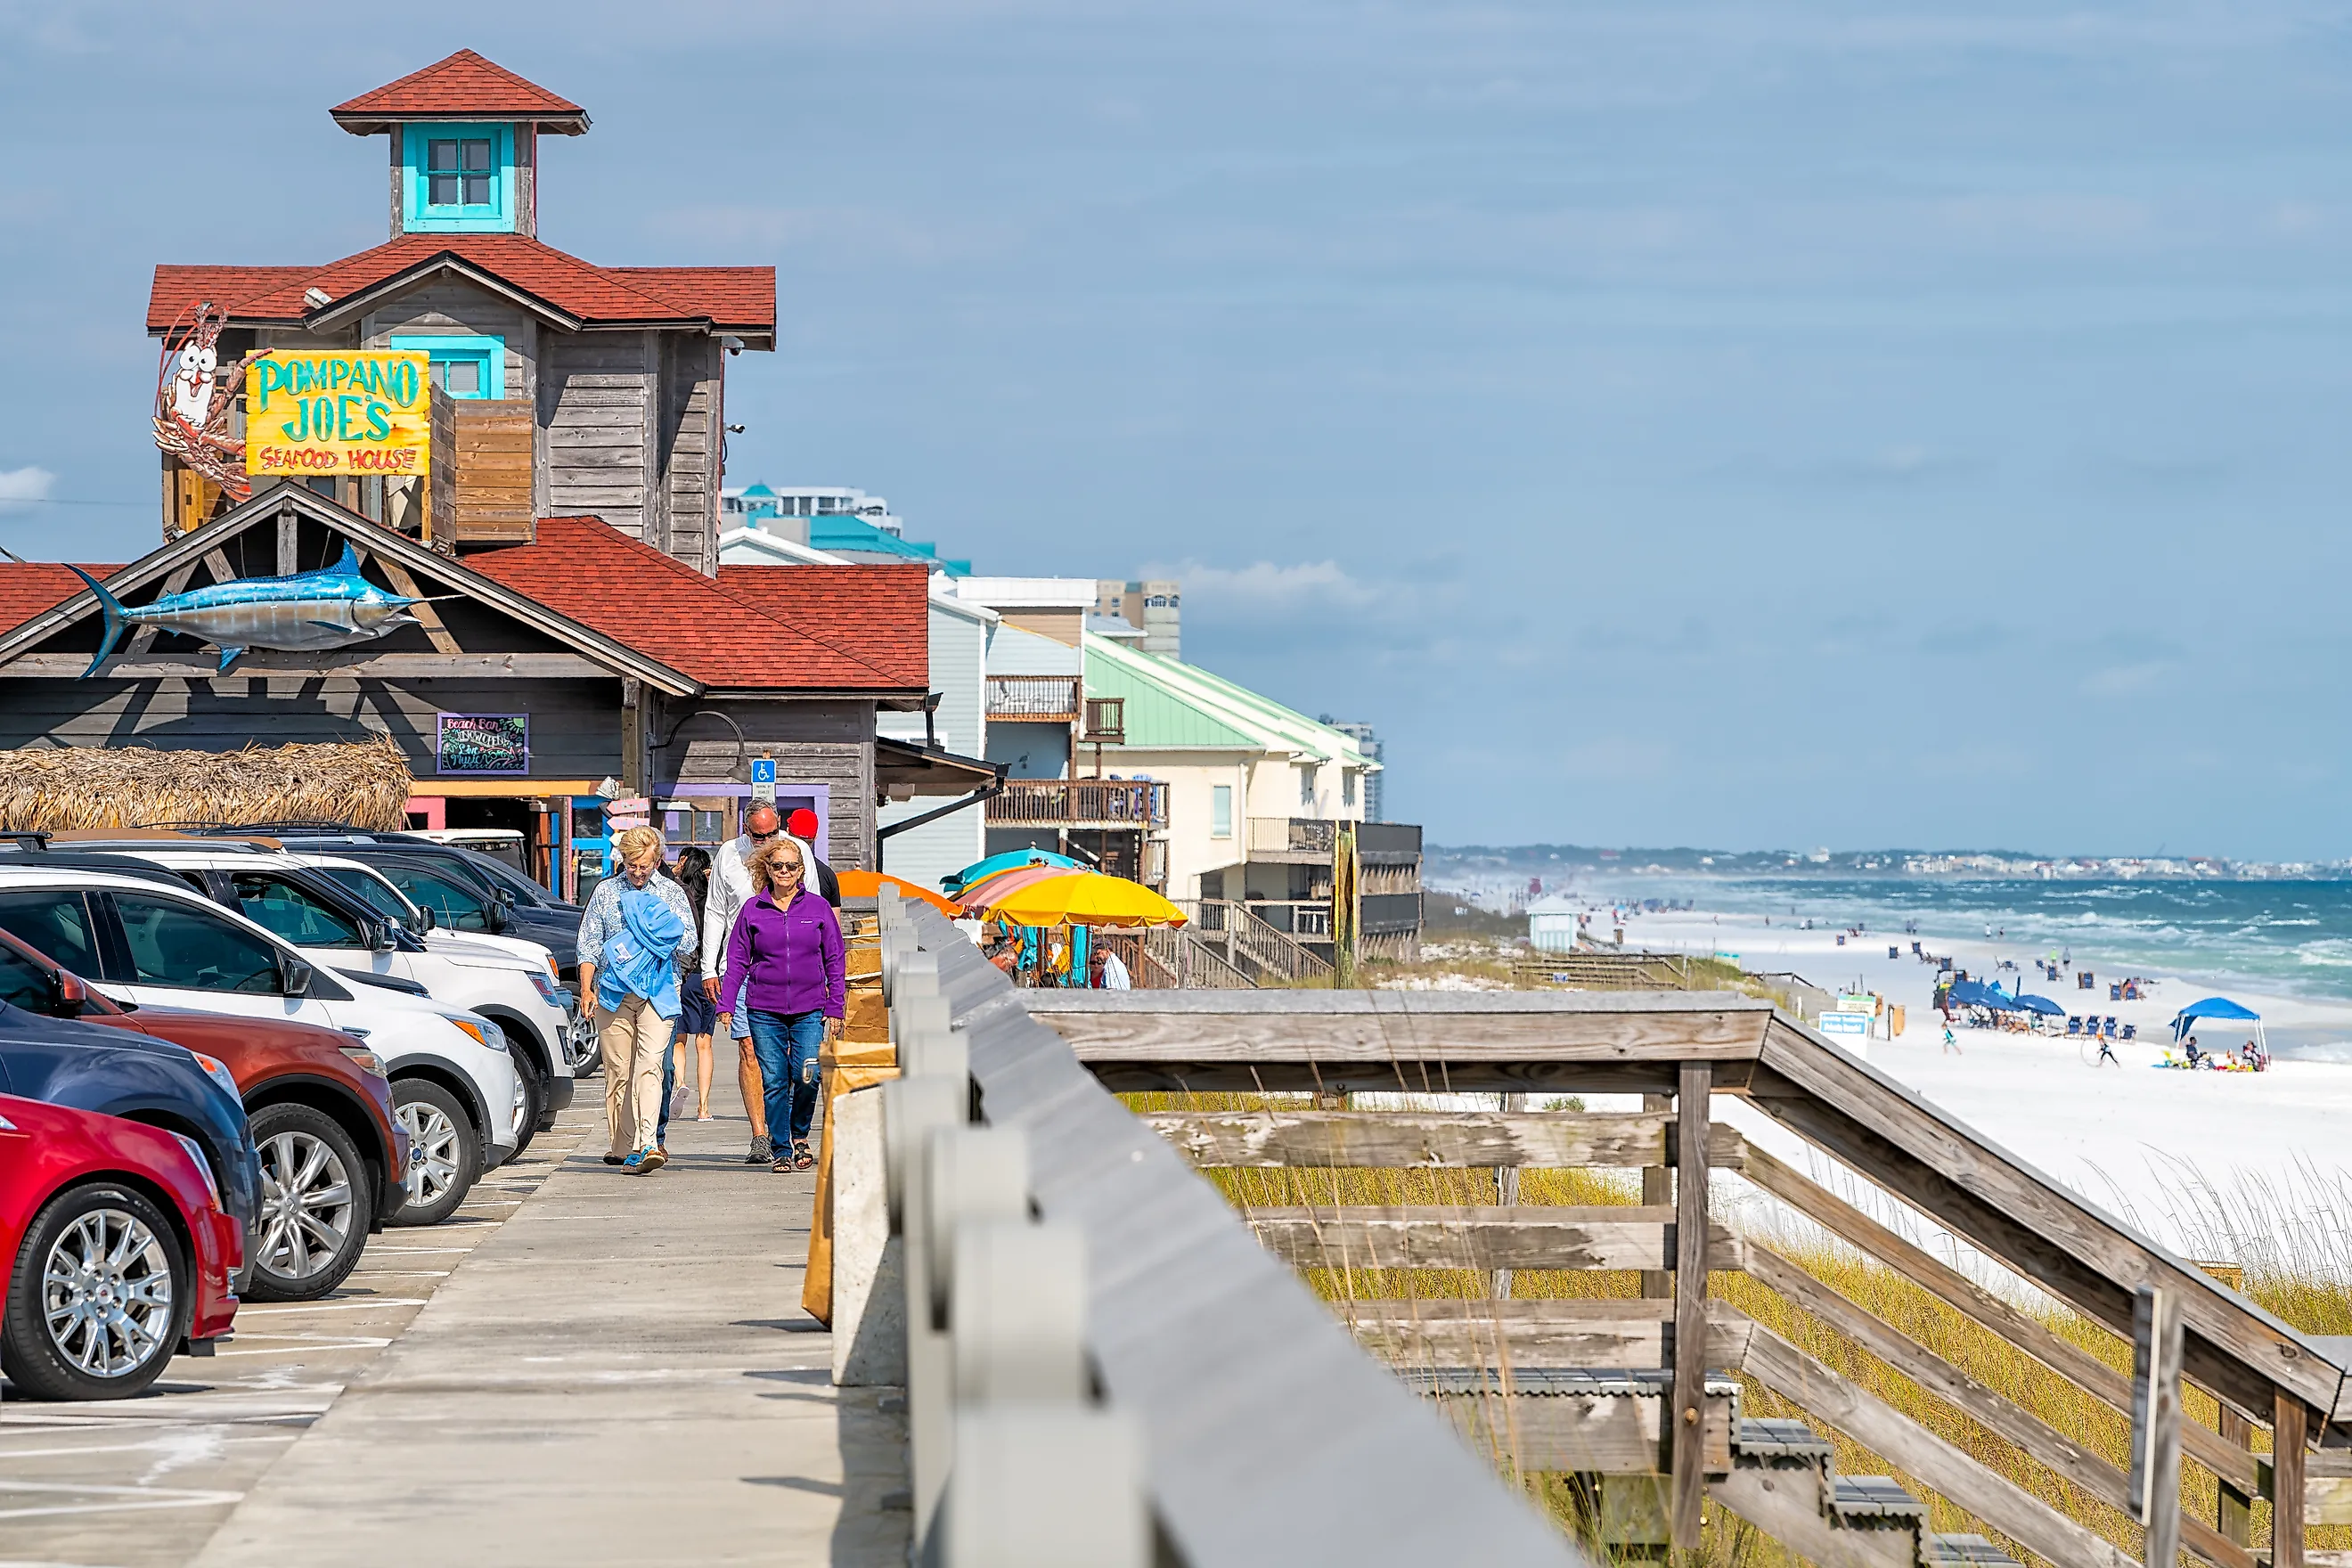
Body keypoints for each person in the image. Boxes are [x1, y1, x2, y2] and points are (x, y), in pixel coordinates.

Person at [720, 836, 845, 1173]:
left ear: (801, 870)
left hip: (810, 1007)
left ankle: (800, 1135)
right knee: (774, 1079)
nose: (785, 871)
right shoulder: (753, 910)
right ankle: (781, 1148)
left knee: (807, 1075)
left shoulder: (817, 908)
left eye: (792, 866)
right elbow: (737, 961)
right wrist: (727, 1003)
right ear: (768, 870)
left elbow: (834, 958)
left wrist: (836, 1006)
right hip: (764, 1009)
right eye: (778, 866)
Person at [576, 826, 697, 1174]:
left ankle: (647, 1144)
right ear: (623, 861)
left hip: (658, 991)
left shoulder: (671, 893)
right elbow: (589, 943)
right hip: (613, 994)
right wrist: (586, 989)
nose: (639, 872)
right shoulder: (606, 893)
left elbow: (688, 942)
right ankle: (621, 1144)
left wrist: (653, 933)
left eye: (645, 865)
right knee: (618, 1071)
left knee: (650, 1066)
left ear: (657, 860)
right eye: (632, 865)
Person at [705, 804, 785, 1164]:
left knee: (785, 1055)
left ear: (779, 826)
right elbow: (715, 911)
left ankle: (784, 1130)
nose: (766, 841)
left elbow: (813, 908)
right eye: (758, 835)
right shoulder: (728, 855)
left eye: (771, 834)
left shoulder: (794, 855)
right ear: (745, 829)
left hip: (786, 968)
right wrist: (709, 968)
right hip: (739, 967)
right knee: (749, 1049)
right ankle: (760, 1135)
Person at [657, 848, 717, 1155]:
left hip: (682, 974)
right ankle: (704, 1107)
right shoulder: (711, 899)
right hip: (708, 973)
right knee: (704, 1043)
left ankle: (679, 1081)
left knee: (677, 1039)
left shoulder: (678, 895)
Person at [783, 807, 842, 906]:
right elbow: (835, 920)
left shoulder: (776, 870)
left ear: (788, 831)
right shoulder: (827, 875)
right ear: (816, 837)